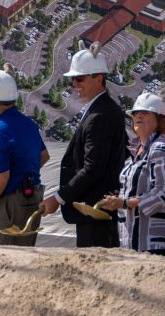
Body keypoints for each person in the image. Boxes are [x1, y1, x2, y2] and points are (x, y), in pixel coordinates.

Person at [39, 41, 129, 248]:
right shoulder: (102, 109)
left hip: (95, 210)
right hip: (96, 209)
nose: (74, 85)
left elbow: (93, 167)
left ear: (98, 78)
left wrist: (58, 198)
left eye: (79, 79)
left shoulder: (101, 114)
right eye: (73, 79)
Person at [100, 92, 165, 257]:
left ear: (160, 120)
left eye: (145, 112)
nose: (138, 115)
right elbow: (139, 188)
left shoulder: (160, 148)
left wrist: (124, 202)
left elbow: (162, 193)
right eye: (135, 113)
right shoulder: (136, 150)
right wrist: (120, 197)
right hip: (136, 240)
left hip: (158, 243)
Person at [0, 65, 49, 246]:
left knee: (3, 258)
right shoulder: (28, 124)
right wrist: (22, 174)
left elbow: (0, 177)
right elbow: (43, 156)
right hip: (30, 198)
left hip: (10, 203)